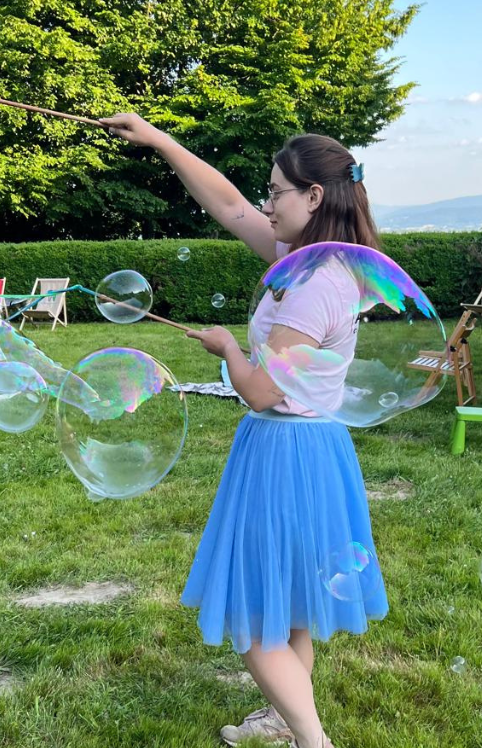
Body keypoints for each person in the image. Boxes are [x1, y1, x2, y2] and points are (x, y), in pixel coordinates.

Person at [100, 113, 387, 748]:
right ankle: (286, 722)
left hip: (287, 451)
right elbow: (229, 206)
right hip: (309, 446)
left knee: (252, 614)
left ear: (314, 196)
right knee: (292, 600)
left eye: (276, 192)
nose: (266, 204)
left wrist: (228, 347)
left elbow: (260, 389)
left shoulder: (315, 286)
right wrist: (161, 141)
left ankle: (312, 740)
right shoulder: (310, 262)